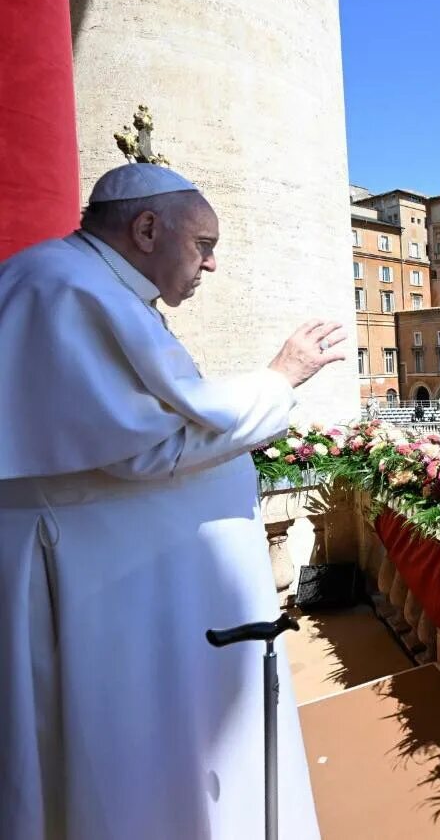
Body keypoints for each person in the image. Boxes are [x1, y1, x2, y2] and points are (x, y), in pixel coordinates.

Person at [0, 163, 344, 840]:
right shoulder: (65, 289)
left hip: (117, 576)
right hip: (91, 584)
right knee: (115, 766)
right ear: (147, 228)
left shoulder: (88, 286)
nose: (211, 264)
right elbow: (149, 447)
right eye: (203, 244)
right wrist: (281, 377)